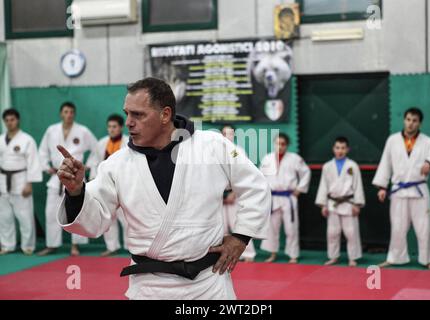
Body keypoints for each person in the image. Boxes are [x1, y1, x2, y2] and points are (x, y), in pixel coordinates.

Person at [55, 77, 271, 300]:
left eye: (138, 114)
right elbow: (94, 223)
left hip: (208, 284)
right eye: (127, 113)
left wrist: (241, 236)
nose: (128, 122)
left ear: (165, 115)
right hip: (149, 288)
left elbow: (256, 186)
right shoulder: (116, 164)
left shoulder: (212, 146)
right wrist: (76, 191)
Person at [373, 107, 430, 270]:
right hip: (399, 190)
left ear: (419, 123)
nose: (410, 124)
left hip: (419, 190)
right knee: (397, 226)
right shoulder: (392, 140)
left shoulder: (427, 142)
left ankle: (428, 260)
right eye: (408, 119)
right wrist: (382, 187)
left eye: (414, 121)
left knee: (424, 226)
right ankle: (394, 258)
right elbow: (385, 163)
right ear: (404, 120)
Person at [37, 102, 97, 256]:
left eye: (71, 112)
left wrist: (89, 165)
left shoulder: (82, 131)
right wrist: (45, 166)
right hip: (56, 176)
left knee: (77, 211)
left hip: (75, 177)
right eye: (66, 111)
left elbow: (96, 148)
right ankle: (52, 244)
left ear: (74, 114)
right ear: (61, 113)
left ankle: (75, 244)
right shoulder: (51, 130)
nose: (69, 114)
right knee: (51, 212)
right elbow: (42, 151)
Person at [260, 133, 311, 263]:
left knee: (291, 227)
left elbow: (306, 172)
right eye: (277, 143)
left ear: (287, 145)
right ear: (274, 144)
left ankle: (293, 254)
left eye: (283, 144)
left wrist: (299, 189)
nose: (280, 146)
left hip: (289, 196)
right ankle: (272, 253)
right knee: (272, 227)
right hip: (273, 196)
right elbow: (261, 177)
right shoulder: (267, 159)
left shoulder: (295, 158)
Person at [315, 137, 365, 267]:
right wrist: (323, 205)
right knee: (332, 232)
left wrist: (357, 204)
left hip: (348, 202)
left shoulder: (353, 165)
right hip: (332, 203)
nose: (340, 150)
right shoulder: (327, 166)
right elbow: (323, 186)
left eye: (343, 148)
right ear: (333, 149)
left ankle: (352, 258)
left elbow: (357, 185)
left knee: (351, 232)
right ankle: (333, 256)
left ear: (347, 149)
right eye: (337, 148)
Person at [0, 109, 42, 255]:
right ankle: (7, 245)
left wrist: (29, 183)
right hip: (3, 180)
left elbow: (33, 162)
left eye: (12, 119)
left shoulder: (27, 140)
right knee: (4, 216)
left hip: (21, 180)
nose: (9, 123)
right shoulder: (0, 139)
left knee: (24, 215)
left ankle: (28, 245)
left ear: (18, 120)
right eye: (7, 120)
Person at [86, 114, 129, 256]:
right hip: (106, 186)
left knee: (128, 219)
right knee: (108, 218)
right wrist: (93, 180)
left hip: (124, 186)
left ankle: (131, 248)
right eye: (109, 127)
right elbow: (94, 163)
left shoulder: (129, 143)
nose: (111, 129)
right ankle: (112, 247)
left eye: (114, 127)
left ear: (121, 127)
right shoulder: (102, 143)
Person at [221, 124, 257, 262]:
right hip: (217, 195)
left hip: (234, 193)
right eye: (225, 133)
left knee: (238, 223)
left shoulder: (237, 151)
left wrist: (234, 193)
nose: (227, 136)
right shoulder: (213, 151)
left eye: (230, 133)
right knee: (220, 226)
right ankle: (223, 253)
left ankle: (248, 254)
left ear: (234, 135)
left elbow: (243, 174)